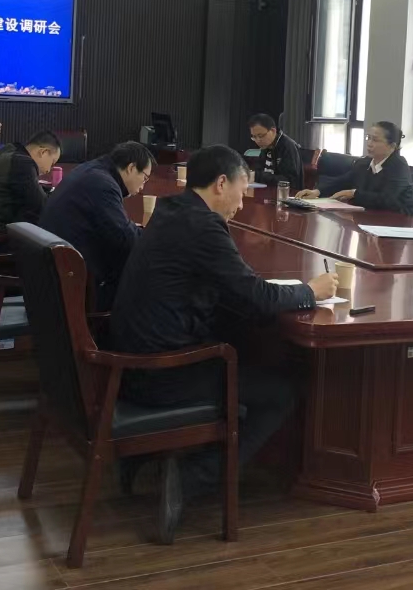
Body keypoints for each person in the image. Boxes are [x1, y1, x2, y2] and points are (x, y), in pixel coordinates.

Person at [112, 144, 338, 544]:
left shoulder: (172, 210)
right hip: (162, 374)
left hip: (129, 362)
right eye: (241, 190)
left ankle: (147, 456)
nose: (242, 202)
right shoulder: (203, 226)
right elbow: (258, 298)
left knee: (245, 347)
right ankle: (193, 477)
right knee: (282, 391)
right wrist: (311, 291)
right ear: (221, 183)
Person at [39, 141, 154, 311]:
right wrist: (150, 237)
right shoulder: (103, 184)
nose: (143, 186)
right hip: (75, 284)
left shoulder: (91, 170)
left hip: (54, 273)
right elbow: (126, 240)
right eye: (144, 178)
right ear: (131, 168)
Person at [296, 121, 413, 214]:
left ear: (392, 146)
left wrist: (354, 193)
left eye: (375, 140)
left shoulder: (399, 166)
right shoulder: (364, 163)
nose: (369, 144)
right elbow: (343, 181)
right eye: (368, 138)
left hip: (396, 222)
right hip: (367, 218)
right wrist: (317, 191)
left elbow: (388, 200)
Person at [0, 130, 61, 237]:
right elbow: (40, 206)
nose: (49, 170)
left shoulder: (8, 151)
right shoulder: (23, 163)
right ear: (43, 152)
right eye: (52, 163)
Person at [247, 113, 302, 190]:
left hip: (287, 194)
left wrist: (256, 176)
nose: (258, 140)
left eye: (260, 136)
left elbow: (290, 181)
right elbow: (260, 170)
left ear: (273, 131)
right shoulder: (265, 146)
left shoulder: (287, 147)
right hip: (267, 192)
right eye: (254, 137)